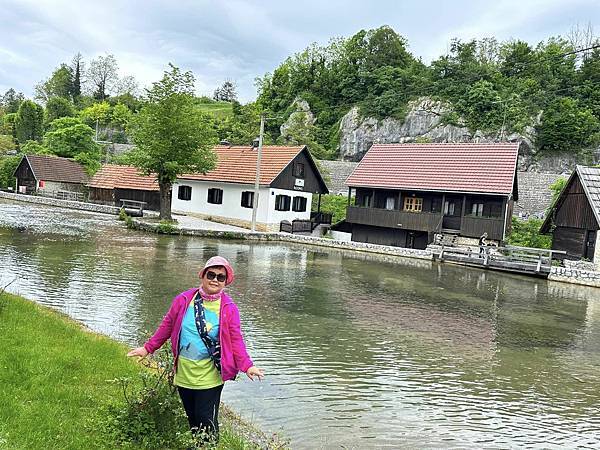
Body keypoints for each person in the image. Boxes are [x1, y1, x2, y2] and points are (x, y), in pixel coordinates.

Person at [127, 256, 264, 442]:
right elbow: (167, 325)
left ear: (226, 282)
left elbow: (236, 340)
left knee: (206, 422)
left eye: (220, 277)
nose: (215, 279)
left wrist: (247, 366)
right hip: (184, 374)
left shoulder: (229, 308)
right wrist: (148, 348)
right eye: (211, 274)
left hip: (209, 377)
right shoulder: (184, 299)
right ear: (203, 275)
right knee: (193, 421)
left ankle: (208, 447)